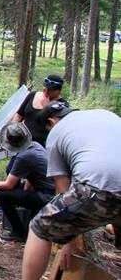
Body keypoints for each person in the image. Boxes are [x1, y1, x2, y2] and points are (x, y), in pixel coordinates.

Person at [22, 103, 121, 280]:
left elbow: (63, 190)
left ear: (51, 121)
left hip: (100, 189)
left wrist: (66, 241)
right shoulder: (104, 114)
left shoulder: (56, 132)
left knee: (39, 227)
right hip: (108, 184)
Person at [0, 122, 55, 242]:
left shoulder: (24, 157)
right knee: (16, 191)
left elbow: (8, 185)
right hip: (51, 192)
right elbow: (30, 176)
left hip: (47, 197)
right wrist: (25, 192)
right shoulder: (35, 145)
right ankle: (26, 225)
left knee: (2, 195)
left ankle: (20, 233)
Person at [13, 74, 66, 147]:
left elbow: (57, 129)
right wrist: (13, 130)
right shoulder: (32, 95)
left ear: (59, 91)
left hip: (43, 146)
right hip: (23, 142)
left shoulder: (62, 105)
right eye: (45, 88)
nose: (46, 92)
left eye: (50, 90)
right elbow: (19, 115)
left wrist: (47, 107)